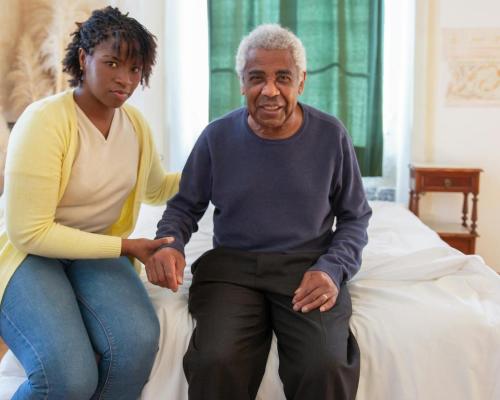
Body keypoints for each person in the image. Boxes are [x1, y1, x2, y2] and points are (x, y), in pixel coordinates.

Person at [149, 24, 372, 400]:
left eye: (282, 77)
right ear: (241, 83)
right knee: (215, 361)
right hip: (233, 270)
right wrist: (168, 244)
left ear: (301, 82)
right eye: (257, 78)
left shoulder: (331, 135)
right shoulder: (216, 137)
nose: (269, 90)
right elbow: (184, 207)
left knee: (325, 365)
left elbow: (354, 218)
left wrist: (332, 268)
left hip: (307, 267)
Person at [0, 7, 179, 400]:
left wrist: (211, 169)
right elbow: (29, 232)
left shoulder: (135, 127)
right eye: (112, 62)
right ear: (84, 59)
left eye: (135, 69)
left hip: (93, 253)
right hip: (28, 255)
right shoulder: (44, 122)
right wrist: (126, 247)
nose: (124, 78)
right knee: (68, 377)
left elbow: (155, 188)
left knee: (136, 345)